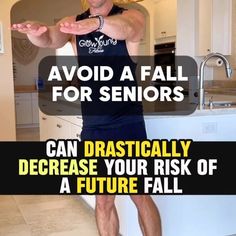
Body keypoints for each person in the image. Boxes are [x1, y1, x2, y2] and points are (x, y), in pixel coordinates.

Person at [12, 0, 162, 235]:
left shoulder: (130, 15)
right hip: (94, 125)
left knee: (140, 195)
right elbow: (51, 38)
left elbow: (129, 28)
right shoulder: (73, 23)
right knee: (103, 200)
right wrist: (36, 33)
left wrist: (97, 23)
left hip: (127, 121)